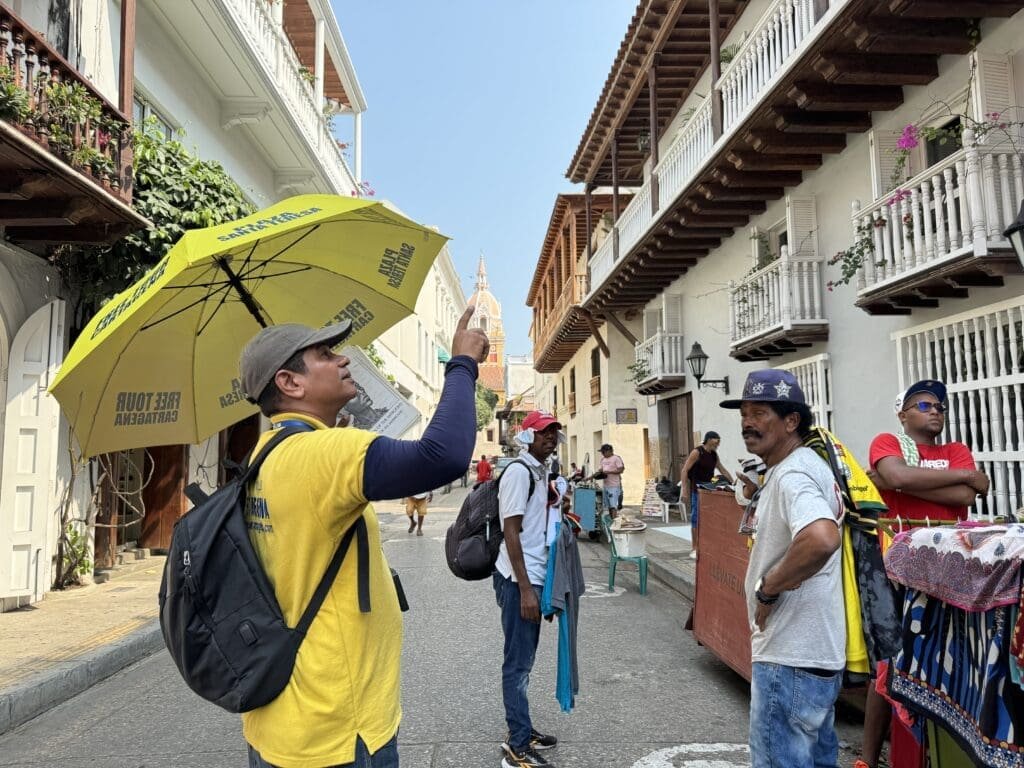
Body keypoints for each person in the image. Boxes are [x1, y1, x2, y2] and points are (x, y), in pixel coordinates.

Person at [237, 305, 488, 768]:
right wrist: (462, 364)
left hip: (279, 722)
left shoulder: (266, 452)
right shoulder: (323, 454)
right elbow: (443, 456)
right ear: (290, 383)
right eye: (326, 354)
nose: (344, 359)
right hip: (338, 728)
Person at [854, 379, 990, 768]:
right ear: (904, 414)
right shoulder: (889, 443)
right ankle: (868, 758)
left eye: (941, 407)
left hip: (950, 570)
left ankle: (930, 752)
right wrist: (966, 477)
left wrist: (913, 480)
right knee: (890, 662)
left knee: (943, 659)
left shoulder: (956, 449)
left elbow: (959, 501)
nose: (936, 411)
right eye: (925, 405)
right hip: (898, 567)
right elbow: (898, 478)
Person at [720, 370, 845, 768]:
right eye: (743, 414)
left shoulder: (793, 473)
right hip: (813, 654)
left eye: (759, 413)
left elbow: (822, 537)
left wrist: (768, 588)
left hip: (790, 656)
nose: (747, 423)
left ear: (791, 421)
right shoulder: (795, 467)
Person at [495, 410, 563, 768]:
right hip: (518, 579)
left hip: (534, 576)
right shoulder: (519, 473)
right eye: (543, 432)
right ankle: (517, 745)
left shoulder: (541, 470)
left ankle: (522, 727)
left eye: (554, 432)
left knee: (525, 659)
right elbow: (511, 531)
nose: (550, 437)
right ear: (528, 437)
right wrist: (525, 590)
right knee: (518, 664)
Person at [679, 431, 735, 560]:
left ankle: (706, 545)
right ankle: (694, 547)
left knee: (708, 519)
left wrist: (733, 483)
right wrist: (684, 490)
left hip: (708, 489)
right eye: (716, 440)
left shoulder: (714, 455)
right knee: (695, 518)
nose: (718, 443)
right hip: (696, 489)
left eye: (719, 441)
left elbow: (722, 469)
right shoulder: (698, 452)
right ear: (709, 439)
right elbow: (685, 470)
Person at [595, 444, 625, 514]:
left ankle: (614, 520)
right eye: (602, 452)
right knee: (607, 505)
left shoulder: (616, 458)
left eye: (603, 452)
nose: (602, 454)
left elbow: (621, 470)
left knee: (613, 506)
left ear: (609, 451)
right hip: (606, 485)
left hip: (614, 485)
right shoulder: (603, 459)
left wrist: (610, 472)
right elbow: (601, 469)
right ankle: (609, 520)